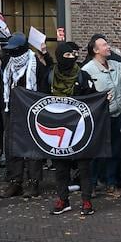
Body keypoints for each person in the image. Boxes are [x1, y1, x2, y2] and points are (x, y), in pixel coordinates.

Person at [49, 41, 96, 216]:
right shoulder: (49, 76)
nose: (72, 58)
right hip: (57, 130)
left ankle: (86, 200)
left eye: (74, 55)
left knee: (84, 167)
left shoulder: (83, 76)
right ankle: (63, 199)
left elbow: (93, 100)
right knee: (60, 168)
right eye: (67, 55)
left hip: (80, 130)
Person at [0, 33, 45, 198]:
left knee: (33, 147)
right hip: (12, 111)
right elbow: (0, 85)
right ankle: (15, 181)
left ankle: (33, 183)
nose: (12, 54)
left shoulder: (36, 65)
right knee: (12, 147)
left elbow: (43, 89)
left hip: (31, 112)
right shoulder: (7, 64)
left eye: (14, 51)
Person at [80, 34, 121, 199]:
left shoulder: (116, 65)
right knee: (96, 152)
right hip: (99, 119)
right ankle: (91, 185)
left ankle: (111, 183)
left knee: (114, 151)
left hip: (116, 115)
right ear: (95, 50)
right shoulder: (87, 70)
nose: (108, 47)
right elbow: (83, 96)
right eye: (104, 45)